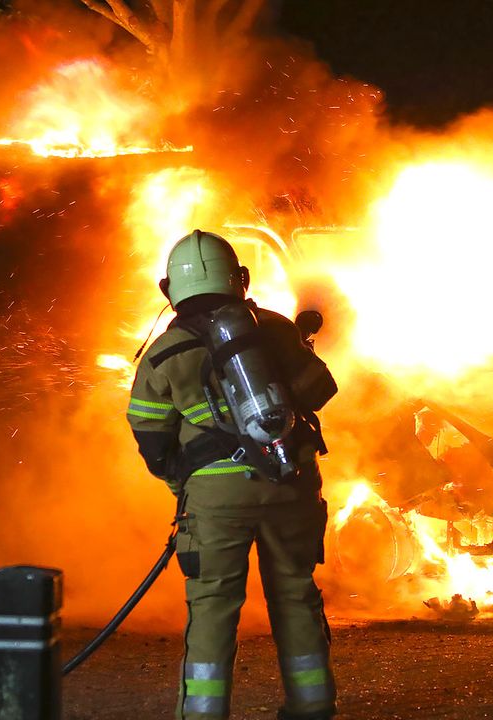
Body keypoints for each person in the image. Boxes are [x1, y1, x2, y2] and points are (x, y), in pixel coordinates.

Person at [126, 230, 339, 719]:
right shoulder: (276, 329)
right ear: (239, 279)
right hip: (290, 483)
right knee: (295, 593)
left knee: (214, 607)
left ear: (168, 290)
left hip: (215, 500)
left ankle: (202, 714)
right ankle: (313, 707)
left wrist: (185, 485)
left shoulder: (165, 352)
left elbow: (151, 436)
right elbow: (320, 389)